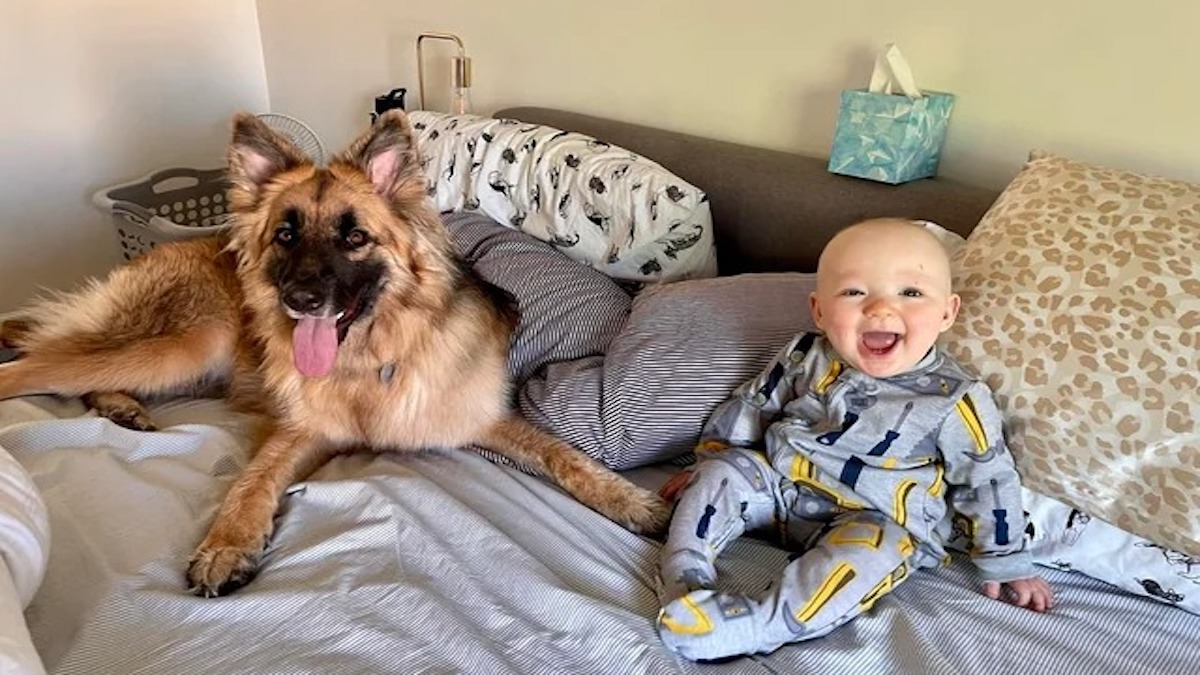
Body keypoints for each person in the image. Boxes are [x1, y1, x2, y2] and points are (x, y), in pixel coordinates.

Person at [655, 218, 1053, 661]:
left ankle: (755, 625)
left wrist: (1006, 560)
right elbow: (755, 404)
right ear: (820, 311)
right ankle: (685, 578)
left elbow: (989, 480)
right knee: (722, 472)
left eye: (911, 292)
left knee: (877, 552)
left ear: (948, 312)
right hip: (780, 486)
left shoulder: (955, 398)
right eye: (854, 292)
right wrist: (710, 458)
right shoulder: (806, 354)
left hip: (872, 516)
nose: (880, 308)